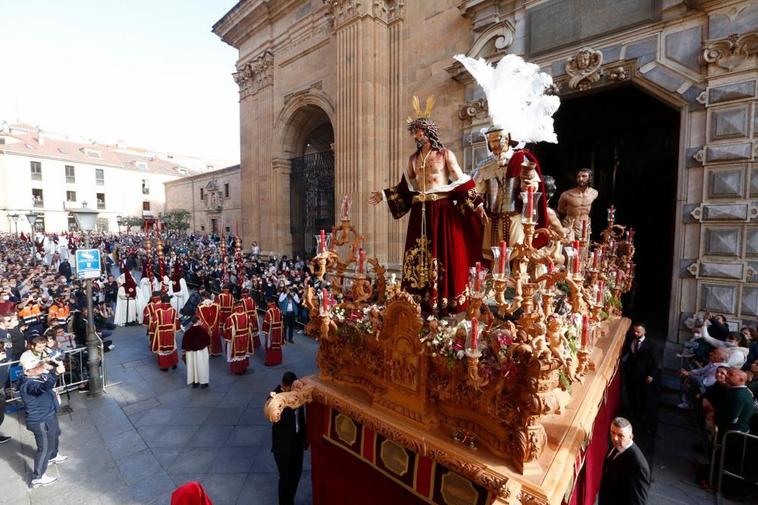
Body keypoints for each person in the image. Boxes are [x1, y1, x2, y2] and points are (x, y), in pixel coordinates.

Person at [369, 102, 485, 315]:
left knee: (442, 252)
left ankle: (444, 301)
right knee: (417, 254)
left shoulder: (444, 154)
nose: (415, 136)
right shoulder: (413, 159)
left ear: (428, 132)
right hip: (419, 209)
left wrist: (476, 204)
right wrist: (385, 195)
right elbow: (406, 187)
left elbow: (461, 181)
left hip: (441, 208)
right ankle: (419, 301)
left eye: (418, 132)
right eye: (413, 132)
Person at [19, 360, 68, 488]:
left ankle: (53, 456)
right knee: (44, 448)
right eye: (37, 367)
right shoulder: (28, 385)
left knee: (56, 434)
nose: (41, 368)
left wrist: (54, 367)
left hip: (49, 416)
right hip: (41, 421)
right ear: (27, 371)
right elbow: (43, 388)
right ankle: (38, 478)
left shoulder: (38, 376)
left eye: (40, 365)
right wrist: (56, 374)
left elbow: (47, 378)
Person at [267, 371, 307, 505]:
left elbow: (301, 418)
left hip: (297, 442)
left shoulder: (297, 394)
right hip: (283, 447)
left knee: (297, 473)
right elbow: (272, 413)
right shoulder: (274, 398)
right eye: (292, 389)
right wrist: (283, 402)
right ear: (286, 387)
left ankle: (290, 500)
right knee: (285, 478)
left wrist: (305, 439)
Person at [598, 417, 650, 505]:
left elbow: (637, 502)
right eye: (613, 433)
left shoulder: (638, 466)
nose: (615, 438)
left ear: (631, 436)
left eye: (620, 435)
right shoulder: (617, 446)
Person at [622, 323, 657, 422]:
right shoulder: (630, 340)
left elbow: (655, 361)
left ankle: (643, 413)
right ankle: (632, 411)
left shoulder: (650, 344)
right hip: (631, 372)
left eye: (638, 332)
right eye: (634, 331)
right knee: (631, 393)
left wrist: (651, 375)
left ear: (644, 332)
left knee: (643, 395)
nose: (636, 333)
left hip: (643, 374)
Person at [557, 168, 599, 242]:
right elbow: (560, 209)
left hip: (585, 226)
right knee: (569, 250)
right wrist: (572, 212)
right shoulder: (567, 194)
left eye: (584, 176)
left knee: (584, 249)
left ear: (590, 178)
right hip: (571, 226)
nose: (580, 179)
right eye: (578, 176)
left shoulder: (594, 193)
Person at [150, 295, 181, 371]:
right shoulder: (173, 311)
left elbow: (153, 323)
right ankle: (174, 363)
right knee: (172, 347)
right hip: (170, 333)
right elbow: (177, 322)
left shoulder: (157, 312)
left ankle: (165, 366)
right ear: (169, 301)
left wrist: (153, 332)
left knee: (162, 350)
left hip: (160, 334)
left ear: (161, 301)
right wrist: (176, 329)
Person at [223, 302, 254, 375]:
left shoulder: (231, 317)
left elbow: (228, 330)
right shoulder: (247, 315)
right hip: (245, 337)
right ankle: (244, 367)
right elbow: (251, 327)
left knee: (236, 355)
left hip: (236, 339)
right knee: (244, 353)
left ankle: (237, 370)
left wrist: (229, 339)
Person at [181, 317, 210, 388]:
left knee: (193, 366)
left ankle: (195, 382)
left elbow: (184, 343)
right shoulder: (202, 330)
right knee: (202, 366)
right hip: (201, 352)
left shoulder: (188, 331)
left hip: (191, 353)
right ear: (198, 321)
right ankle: (204, 382)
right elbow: (208, 340)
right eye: (200, 320)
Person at [262, 297, 283, 366]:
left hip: (271, 332)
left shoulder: (268, 312)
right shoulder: (279, 311)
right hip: (278, 331)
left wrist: (265, 333)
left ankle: (270, 361)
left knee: (270, 346)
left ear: (269, 303)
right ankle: (278, 360)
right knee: (277, 345)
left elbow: (266, 324)